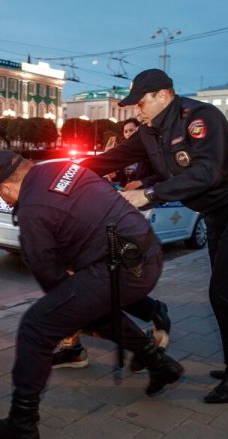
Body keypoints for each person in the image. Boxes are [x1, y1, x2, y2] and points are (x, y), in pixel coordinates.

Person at [78, 69, 228, 404]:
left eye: (140, 103)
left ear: (163, 95)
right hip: (216, 212)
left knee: (224, 292)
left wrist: (149, 194)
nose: (136, 111)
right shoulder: (148, 132)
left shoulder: (199, 117)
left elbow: (205, 172)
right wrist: (64, 170)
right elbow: (111, 158)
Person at [0, 151, 184, 439]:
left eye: (2, 197)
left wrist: (70, 305)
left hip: (121, 268)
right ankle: (160, 364)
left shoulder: (32, 209)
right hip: (146, 253)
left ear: (6, 188)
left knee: (36, 327)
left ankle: (21, 422)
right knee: (89, 308)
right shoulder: (67, 169)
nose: (8, 203)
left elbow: (51, 280)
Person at [52, 117, 171, 371]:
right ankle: (75, 345)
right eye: (125, 131)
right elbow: (107, 172)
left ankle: (146, 337)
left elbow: (167, 177)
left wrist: (144, 185)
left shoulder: (154, 151)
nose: (128, 135)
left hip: (137, 215)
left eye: (132, 131)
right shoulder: (126, 154)